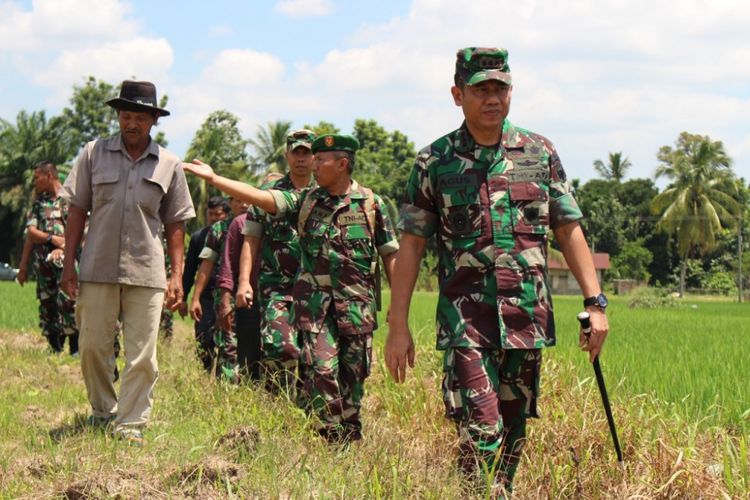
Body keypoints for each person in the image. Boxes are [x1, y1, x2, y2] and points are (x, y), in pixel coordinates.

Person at [384, 47, 610, 495]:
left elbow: (568, 228)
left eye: (500, 88)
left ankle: (495, 491)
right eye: (480, 89)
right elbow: (411, 246)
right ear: (457, 94)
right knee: (480, 428)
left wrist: (594, 302)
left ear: (511, 92)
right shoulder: (435, 161)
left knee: (513, 429)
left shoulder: (539, 152)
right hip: (465, 319)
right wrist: (397, 324)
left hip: (527, 315)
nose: (492, 98)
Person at [183, 133, 399, 444]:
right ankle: (329, 434)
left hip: (356, 308)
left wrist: (399, 302)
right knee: (321, 370)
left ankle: (348, 437)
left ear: (342, 164)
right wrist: (216, 178)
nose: (313, 164)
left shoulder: (370, 204)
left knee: (354, 377)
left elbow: (390, 254)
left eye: (320, 159)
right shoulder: (304, 201)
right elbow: (262, 199)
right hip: (316, 308)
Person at [61, 80, 195, 445]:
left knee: (142, 355)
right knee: (92, 346)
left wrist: (177, 276)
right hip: (97, 267)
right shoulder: (93, 154)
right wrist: (68, 263)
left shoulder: (169, 164)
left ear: (153, 120)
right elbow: (76, 210)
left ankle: (131, 424)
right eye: (125, 115)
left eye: (139, 116)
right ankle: (103, 412)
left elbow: (176, 223)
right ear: (118, 117)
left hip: (147, 272)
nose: (131, 123)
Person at [236, 129, 316, 394]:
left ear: (315, 157)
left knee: (313, 354)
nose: (301, 158)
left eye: (307, 152)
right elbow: (251, 239)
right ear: (287, 156)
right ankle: (276, 399)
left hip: (316, 288)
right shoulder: (268, 194)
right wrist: (244, 282)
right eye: (297, 152)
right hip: (277, 286)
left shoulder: (326, 192)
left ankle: (304, 405)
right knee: (281, 347)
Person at [17, 160, 79, 355]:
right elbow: (31, 235)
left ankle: (75, 347)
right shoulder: (39, 204)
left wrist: (65, 248)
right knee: (47, 302)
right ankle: (54, 347)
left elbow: (79, 232)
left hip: (66, 261)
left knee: (68, 301)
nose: (34, 182)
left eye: (37, 177)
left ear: (49, 175)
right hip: (42, 262)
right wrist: (23, 266)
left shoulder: (69, 200)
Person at [189, 196, 248, 381]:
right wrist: (195, 297)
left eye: (248, 200)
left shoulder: (263, 226)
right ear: (232, 203)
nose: (244, 204)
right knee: (226, 343)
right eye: (239, 200)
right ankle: (226, 391)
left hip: (255, 294)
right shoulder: (218, 229)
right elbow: (205, 264)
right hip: (225, 294)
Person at [181, 196, 230, 368]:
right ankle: (205, 372)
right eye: (211, 214)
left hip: (226, 294)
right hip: (206, 296)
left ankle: (223, 379)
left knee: (227, 342)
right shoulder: (198, 237)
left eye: (219, 214)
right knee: (204, 339)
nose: (214, 218)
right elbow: (190, 270)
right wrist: (184, 298)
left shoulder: (231, 233)